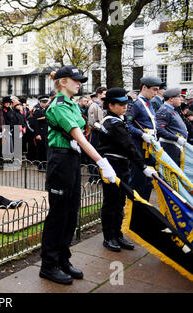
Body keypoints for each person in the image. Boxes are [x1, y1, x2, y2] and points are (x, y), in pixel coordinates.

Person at [39, 65, 117, 285]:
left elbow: (83, 132)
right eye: (75, 80)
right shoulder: (59, 105)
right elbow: (80, 137)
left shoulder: (72, 104)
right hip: (60, 160)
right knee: (58, 214)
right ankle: (49, 265)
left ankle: (63, 259)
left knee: (71, 212)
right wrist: (101, 162)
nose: (79, 83)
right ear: (62, 81)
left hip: (72, 158)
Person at [97, 88, 157, 252]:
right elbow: (128, 146)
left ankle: (117, 234)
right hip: (113, 165)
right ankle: (108, 237)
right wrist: (143, 166)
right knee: (111, 202)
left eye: (126, 104)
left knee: (119, 201)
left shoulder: (118, 120)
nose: (125, 107)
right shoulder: (113, 122)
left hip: (121, 165)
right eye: (121, 104)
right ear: (111, 105)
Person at [125, 76, 162, 201]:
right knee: (138, 181)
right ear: (144, 87)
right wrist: (142, 134)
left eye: (157, 90)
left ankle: (145, 209)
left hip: (150, 147)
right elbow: (127, 124)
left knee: (148, 182)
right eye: (154, 89)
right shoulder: (135, 104)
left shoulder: (149, 103)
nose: (156, 93)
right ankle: (135, 210)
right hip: (139, 147)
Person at [156, 88, 188, 166]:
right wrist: (176, 138)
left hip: (175, 147)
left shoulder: (172, 110)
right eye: (179, 96)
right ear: (171, 99)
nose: (181, 99)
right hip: (170, 147)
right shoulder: (164, 110)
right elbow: (160, 129)